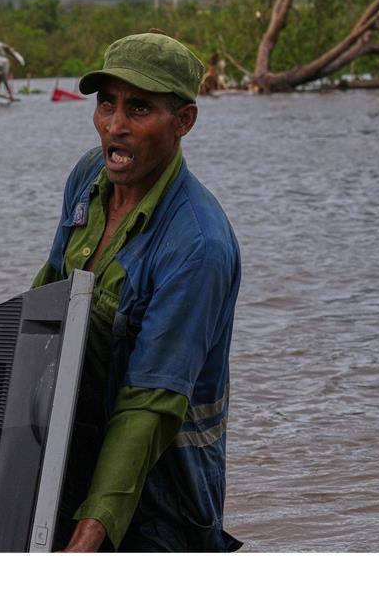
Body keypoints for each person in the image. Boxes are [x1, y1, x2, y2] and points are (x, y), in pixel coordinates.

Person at [32, 32, 242, 552]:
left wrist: (87, 538)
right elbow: (45, 302)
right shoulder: (89, 177)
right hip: (71, 453)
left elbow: (148, 406)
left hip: (162, 493)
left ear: (183, 121)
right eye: (107, 103)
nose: (115, 126)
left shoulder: (197, 247)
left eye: (139, 108)